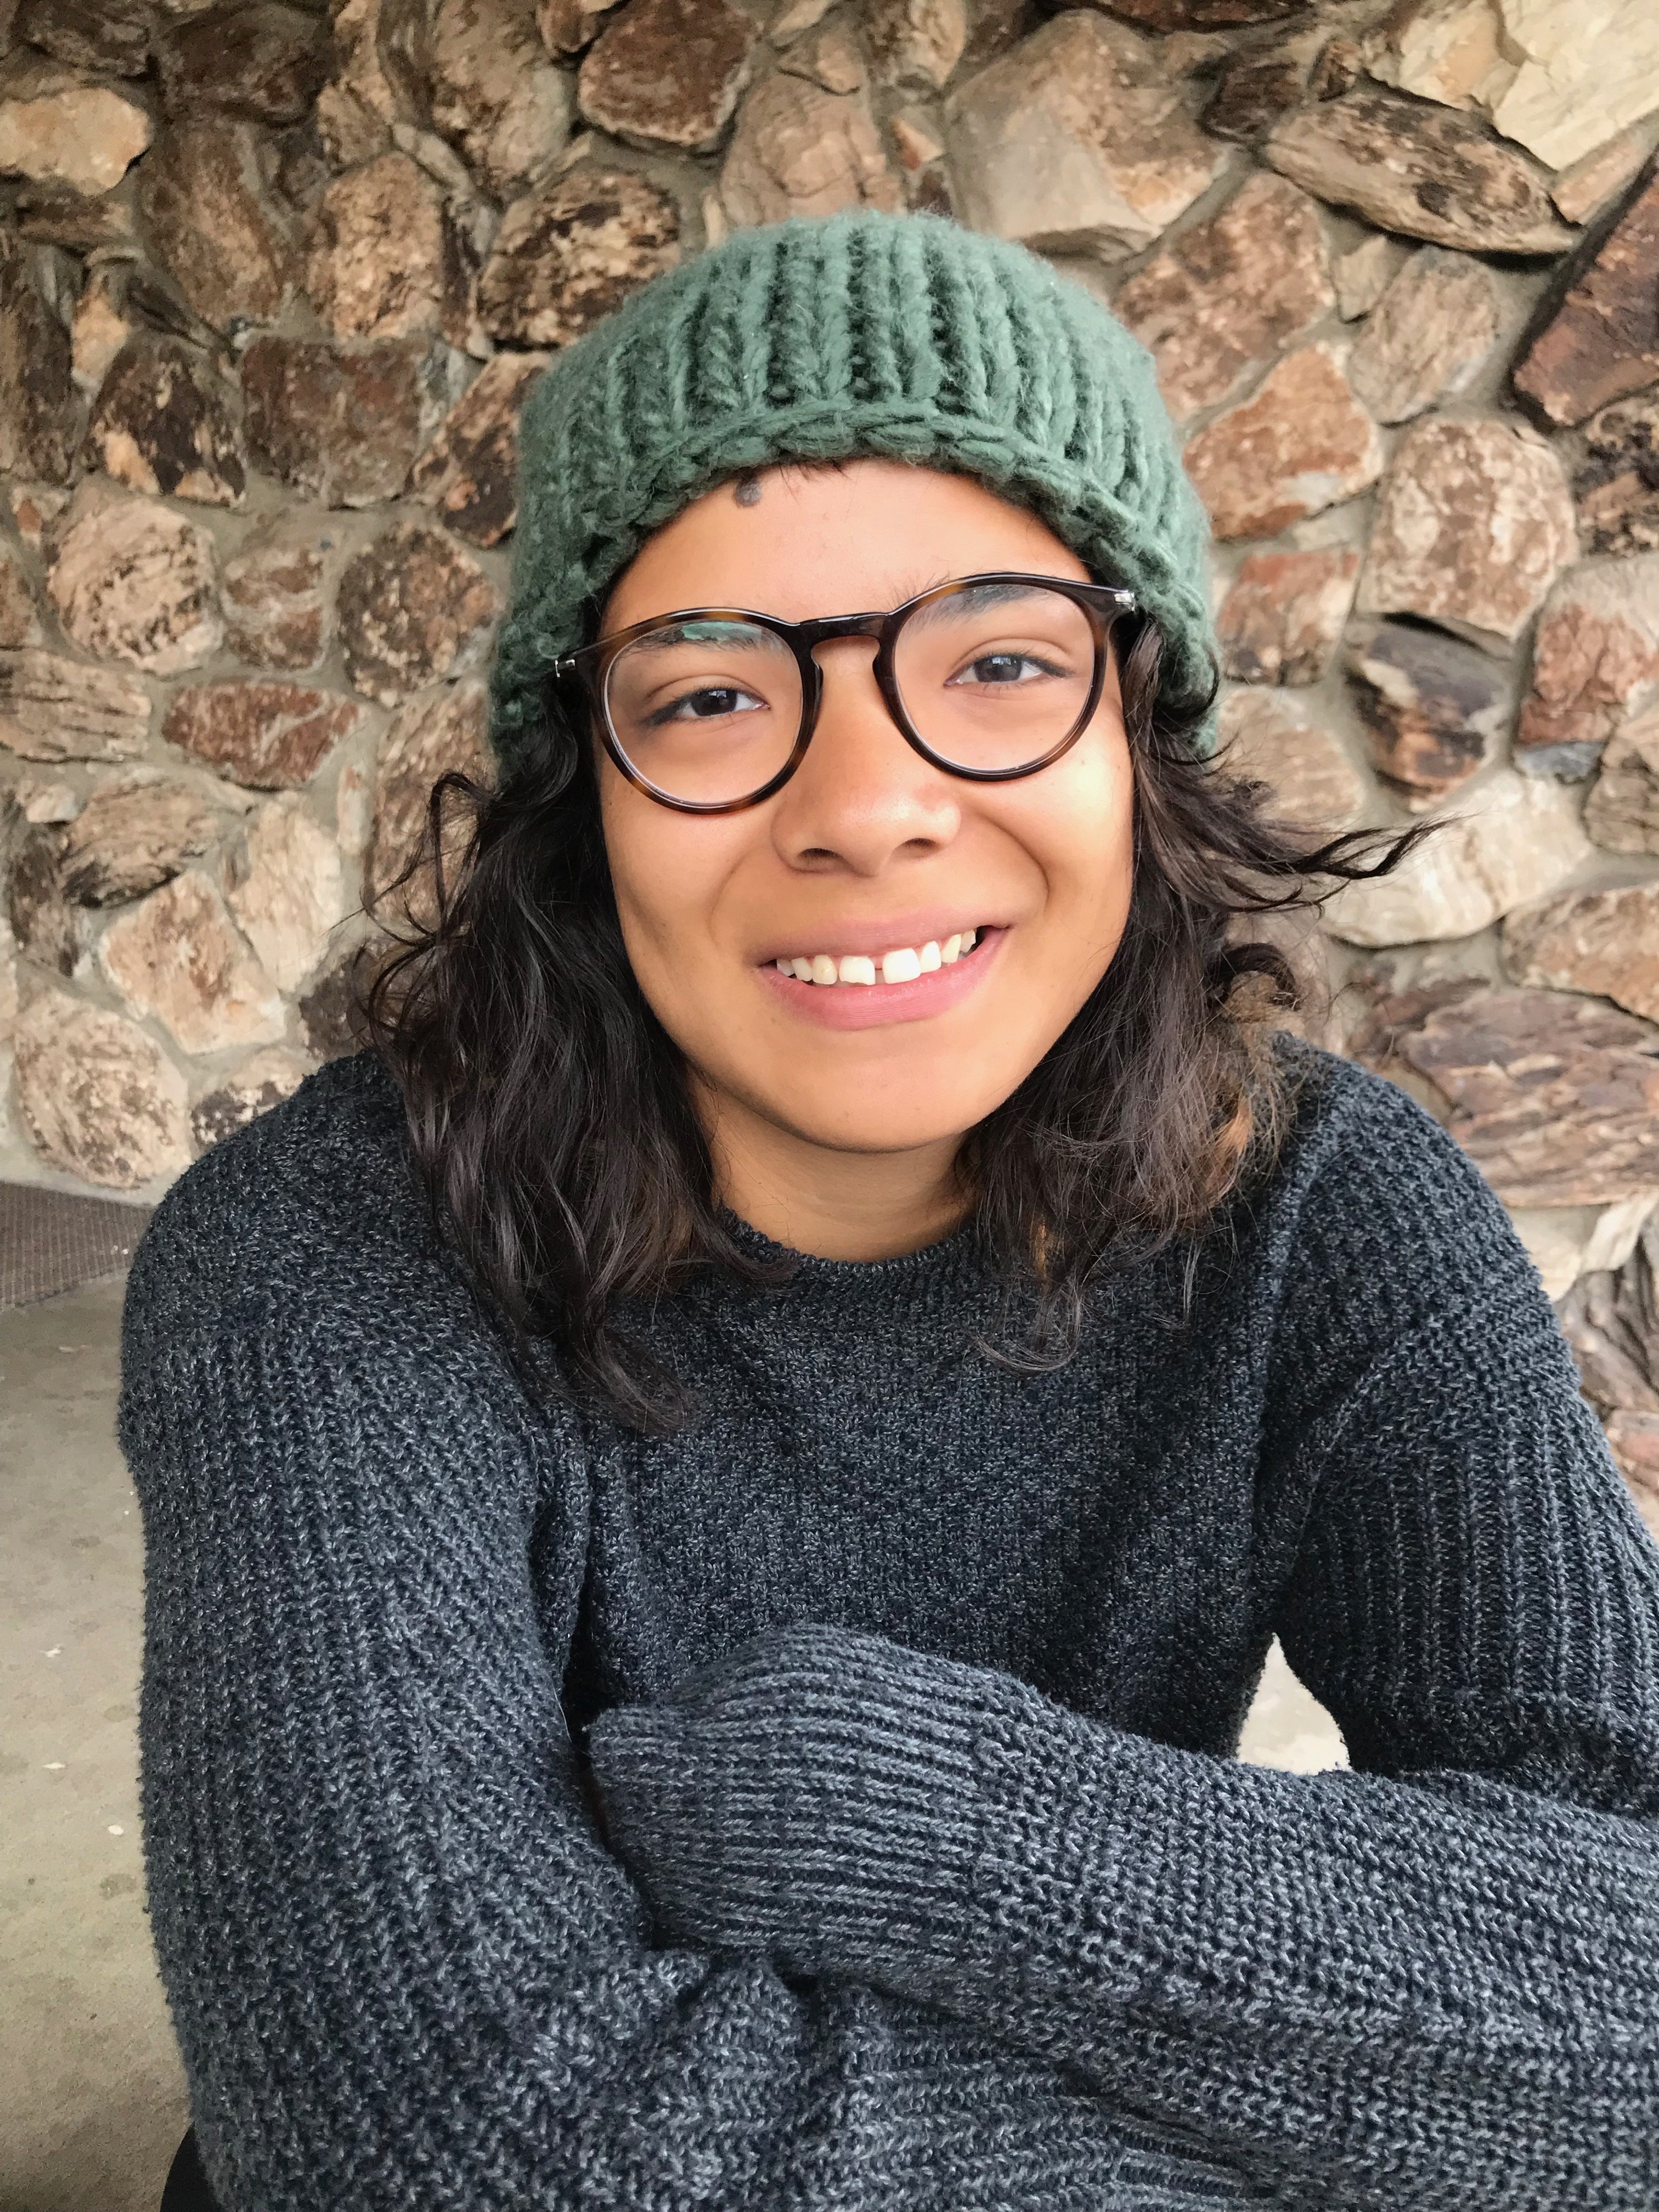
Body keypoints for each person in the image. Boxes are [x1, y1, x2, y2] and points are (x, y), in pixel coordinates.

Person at [121, 210, 1659, 2212]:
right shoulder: (320, 1258)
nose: (864, 807)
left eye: (1001, 662)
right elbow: (449, 2155)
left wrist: (917, 1816)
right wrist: (1399, 2109)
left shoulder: (1323, 1209)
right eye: (708, 696)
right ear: (582, 795)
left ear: (1140, 737)